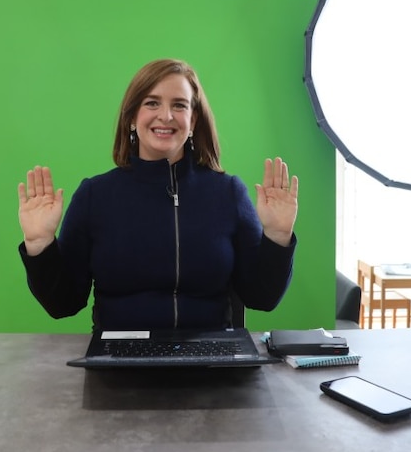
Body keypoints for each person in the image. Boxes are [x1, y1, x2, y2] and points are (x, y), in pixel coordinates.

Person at [18, 58, 299, 331]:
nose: (166, 116)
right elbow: (62, 304)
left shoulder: (228, 194)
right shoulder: (95, 196)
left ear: (193, 120)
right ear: (131, 118)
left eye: (179, 105)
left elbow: (262, 298)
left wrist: (277, 237)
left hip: (210, 363)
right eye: (152, 103)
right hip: (118, 361)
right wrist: (40, 244)